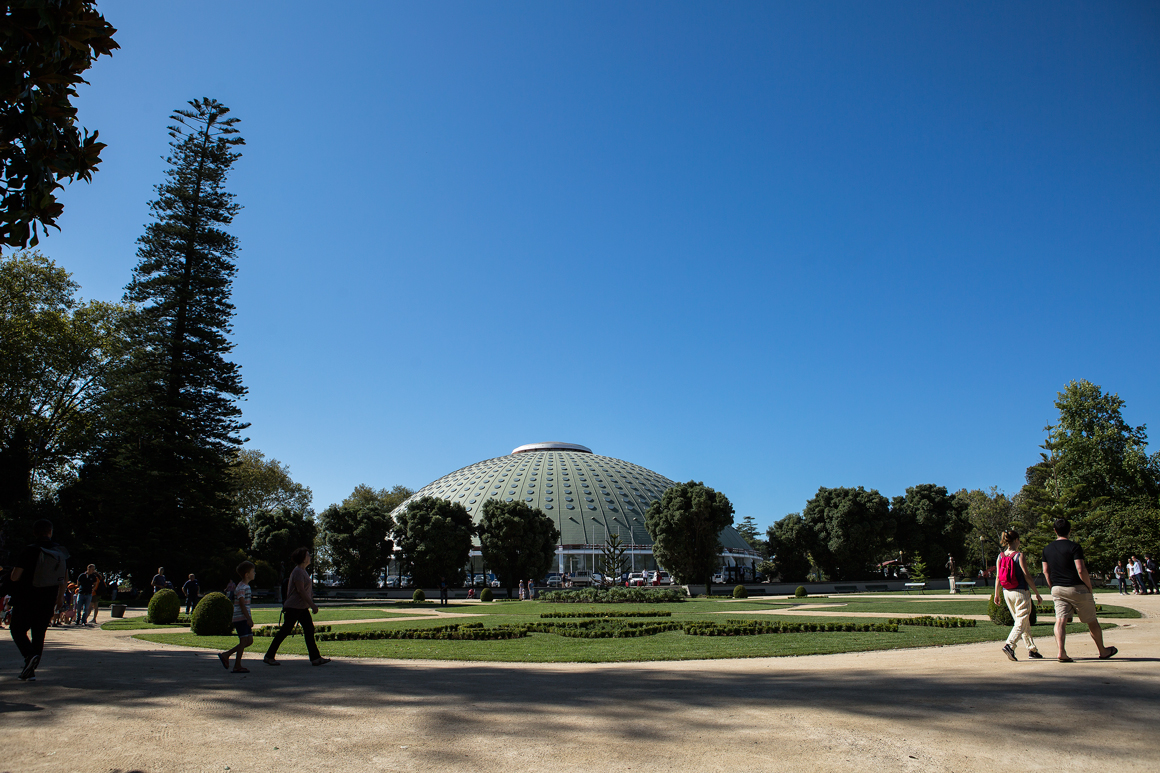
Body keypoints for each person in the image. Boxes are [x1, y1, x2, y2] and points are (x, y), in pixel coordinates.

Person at [1042, 518, 1116, 662]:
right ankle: (1102, 650)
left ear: (1055, 531)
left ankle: (1061, 652)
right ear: (1070, 530)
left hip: (1058, 588)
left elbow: (1045, 570)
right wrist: (1088, 586)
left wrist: (1052, 586)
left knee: (1060, 621)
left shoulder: (1047, 549)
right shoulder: (1074, 547)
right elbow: (1081, 569)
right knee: (1092, 621)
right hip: (1076, 587)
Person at [8, 519, 69, 681]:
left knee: (17, 629)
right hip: (48, 599)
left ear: (34, 533)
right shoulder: (60, 552)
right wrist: (60, 597)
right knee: (39, 634)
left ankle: (29, 656)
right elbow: (64, 578)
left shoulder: (29, 550)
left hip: (26, 598)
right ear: (50, 532)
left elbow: (15, 576)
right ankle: (31, 670)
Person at [262, 548, 329, 667]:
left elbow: (305, 590)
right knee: (285, 631)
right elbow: (300, 590)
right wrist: (312, 604)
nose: (310, 557)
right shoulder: (298, 571)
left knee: (309, 629)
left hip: (301, 607)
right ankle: (269, 656)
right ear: (303, 558)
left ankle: (315, 658)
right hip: (294, 607)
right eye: (308, 555)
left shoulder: (303, 571)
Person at [992, 529, 1043, 661]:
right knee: (1021, 620)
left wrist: (996, 593)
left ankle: (1031, 649)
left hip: (1007, 592)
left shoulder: (1000, 556)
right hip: (1020, 591)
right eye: (1019, 540)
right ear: (1015, 541)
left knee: (1022, 621)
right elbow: (1027, 576)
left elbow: (998, 577)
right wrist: (1037, 593)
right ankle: (1010, 644)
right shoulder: (1019, 555)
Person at [219, 561, 256, 673]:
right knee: (244, 640)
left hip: (243, 617)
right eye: (253, 571)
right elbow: (242, 603)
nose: (255, 573)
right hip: (241, 618)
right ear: (246, 574)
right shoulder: (241, 587)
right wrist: (248, 618)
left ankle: (227, 654)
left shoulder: (245, 586)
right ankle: (237, 665)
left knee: (249, 641)